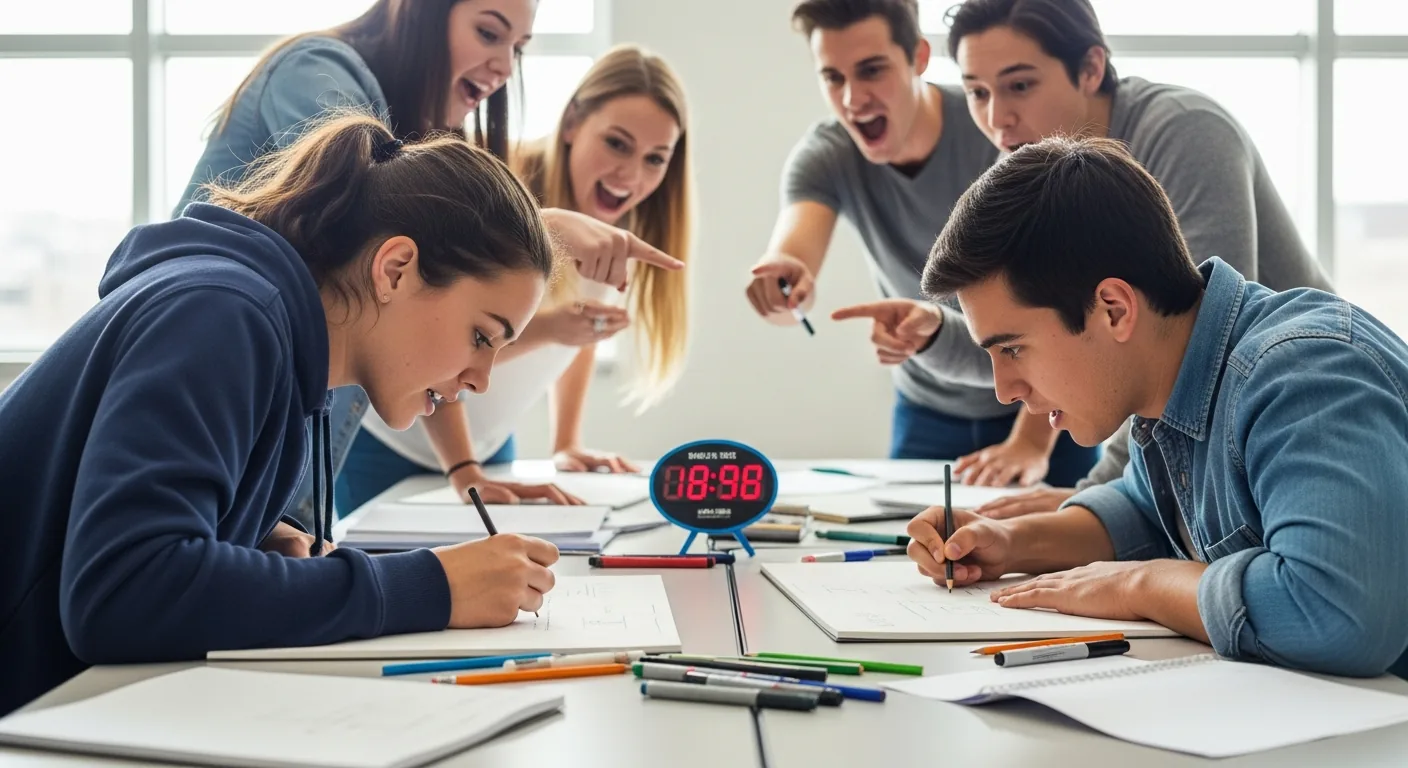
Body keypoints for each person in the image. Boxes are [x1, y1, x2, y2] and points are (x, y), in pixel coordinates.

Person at [0, 113, 565, 715]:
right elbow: (122, 593)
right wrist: (432, 587)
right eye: (482, 337)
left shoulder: (259, 329)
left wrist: (251, 536)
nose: (481, 380)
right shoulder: (220, 316)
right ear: (395, 269)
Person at [907, 136, 1408, 679]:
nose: (1004, 389)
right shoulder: (1168, 386)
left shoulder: (1306, 376)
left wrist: (1137, 584)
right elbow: (1143, 511)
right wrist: (1009, 543)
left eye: (1012, 348)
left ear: (1114, 310)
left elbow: (1338, 616)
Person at [176, 0, 684, 522]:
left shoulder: (415, 138)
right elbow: (365, 215)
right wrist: (544, 227)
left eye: (518, 49)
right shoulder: (317, 73)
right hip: (216, 394)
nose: (506, 67)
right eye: (489, 32)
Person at [936, 0, 1335, 517]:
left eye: (1019, 85)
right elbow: (1036, 333)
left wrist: (1092, 502)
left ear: (1090, 69)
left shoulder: (1187, 133)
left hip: (1284, 412)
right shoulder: (1030, 165)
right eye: (977, 92)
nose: (996, 118)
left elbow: (1187, 345)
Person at [745, 0, 1097, 488]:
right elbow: (792, 252)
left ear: (918, 57)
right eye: (833, 78)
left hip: (1046, 400)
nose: (852, 99)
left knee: (1079, 547)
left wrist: (1031, 441)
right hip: (928, 405)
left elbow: (1067, 300)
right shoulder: (827, 154)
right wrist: (782, 281)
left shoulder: (997, 128)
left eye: (872, 71)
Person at [343, 45, 692, 512]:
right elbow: (432, 332)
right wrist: (462, 469)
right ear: (572, 124)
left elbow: (581, 336)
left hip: (487, 449)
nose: (630, 174)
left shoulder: (615, 238)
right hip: (394, 444)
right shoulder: (502, 192)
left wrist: (566, 442)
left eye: (655, 159)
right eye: (616, 143)